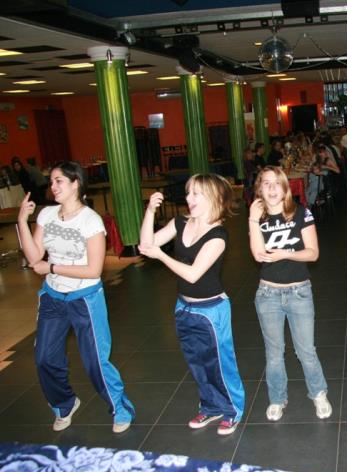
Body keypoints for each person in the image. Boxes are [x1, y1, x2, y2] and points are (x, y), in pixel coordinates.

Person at [17, 161, 135, 433]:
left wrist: (52, 267)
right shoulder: (46, 214)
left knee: (95, 361)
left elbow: (93, 270)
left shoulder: (90, 221)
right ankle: (64, 404)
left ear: (75, 184)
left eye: (59, 181)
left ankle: (120, 407)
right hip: (53, 297)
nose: (53, 186)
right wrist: (22, 221)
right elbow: (34, 258)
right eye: (52, 181)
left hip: (85, 298)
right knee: (44, 358)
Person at [139, 173, 245, 435]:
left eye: (196, 193)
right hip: (184, 308)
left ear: (214, 197)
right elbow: (146, 244)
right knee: (197, 364)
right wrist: (150, 211)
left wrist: (161, 256)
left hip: (211, 310)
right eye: (188, 193)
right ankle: (210, 407)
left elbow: (193, 274)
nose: (189, 198)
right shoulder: (180, 222)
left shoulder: (218, 235)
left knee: (220, 364)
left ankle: (232, 409)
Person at [248, 166, 333, 422]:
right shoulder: (258, 217)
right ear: (259, 189)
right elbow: (258, 255)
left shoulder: (300, 212)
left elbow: (313, 253)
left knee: (306, 350)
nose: (272, 188)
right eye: (266, 183)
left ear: (285, 187)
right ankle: (277, 398)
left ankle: (318, 393)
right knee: (274, 353)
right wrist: (252, 219)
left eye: (277, 183)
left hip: (299, 292)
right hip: (268, 294)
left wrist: (285, 254)